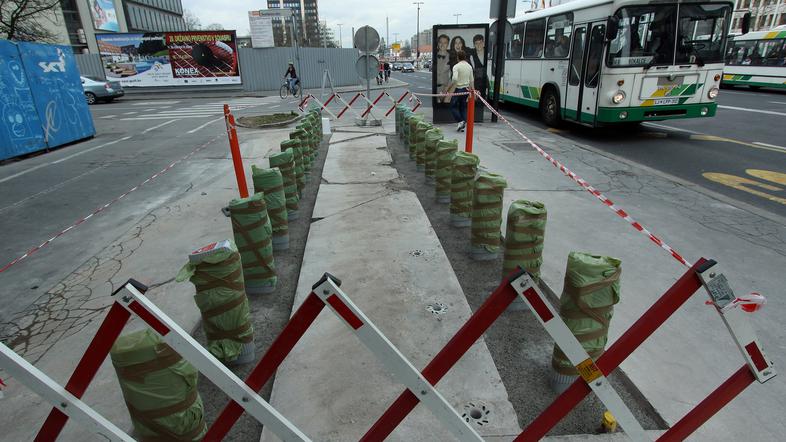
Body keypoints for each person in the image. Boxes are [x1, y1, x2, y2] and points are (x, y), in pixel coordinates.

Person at [448, 50, 474, 132]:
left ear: (457, 57)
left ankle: (460, 121)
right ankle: (462, 123)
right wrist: (472, 91)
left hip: (459, 89)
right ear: (465, 57)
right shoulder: (469, 66)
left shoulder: (456, 66)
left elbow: (454, 79)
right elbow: (471, 80)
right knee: (462, 107)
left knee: (453, 106)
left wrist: (449, 88)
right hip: (466, 90)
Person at [435, 34, 451, 102]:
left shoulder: (451, 57)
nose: (442, 44)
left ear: (448, 44)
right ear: (438, 43)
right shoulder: (434, 56)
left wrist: (447, 88)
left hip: (445, 88)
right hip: (435, 88)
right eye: (440, 42)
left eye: (445, 43)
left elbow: (454, 74)